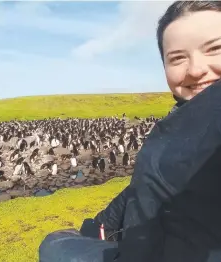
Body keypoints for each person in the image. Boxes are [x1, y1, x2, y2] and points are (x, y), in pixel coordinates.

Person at [38, 1, 221, 262]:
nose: (196, 69)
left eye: (215, 48)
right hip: (144, 238)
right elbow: (148, 186)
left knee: (54, 245)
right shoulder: (179, 125)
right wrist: (103, 224)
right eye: (177, 58)